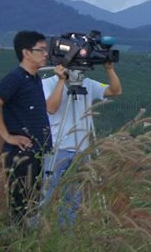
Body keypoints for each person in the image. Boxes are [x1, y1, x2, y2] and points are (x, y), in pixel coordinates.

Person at [0, 30, 53, 229]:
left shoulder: (34, 78)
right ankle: (13, 247)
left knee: (31, 206)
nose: (45, 54)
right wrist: (8, 136)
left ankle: (23, 244)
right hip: (21, 155)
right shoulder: (15, 78)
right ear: (26, 53)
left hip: (36, 154)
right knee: (20, 208)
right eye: (41, 50)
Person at [40, 60, 122, 225]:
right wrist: (62, 81)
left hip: (80, 151)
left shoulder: (88, 84)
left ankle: (65, 235)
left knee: (73, 200)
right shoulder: (46, 83)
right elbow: (51, 107)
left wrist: (109, 69)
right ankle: (37, 230)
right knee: (46, 196)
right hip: (57, 148)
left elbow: (115, 90)